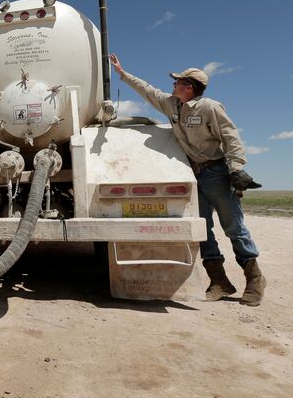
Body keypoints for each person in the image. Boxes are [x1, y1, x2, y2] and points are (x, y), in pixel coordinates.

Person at [108, 54, 266, 306]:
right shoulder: (172, 105)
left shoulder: (210, 108)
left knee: (233, 227)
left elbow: (231, 137)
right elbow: (148, 91)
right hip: (193, 174)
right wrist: (123, 73)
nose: (173, 85)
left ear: (189, 87)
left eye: (177, 82)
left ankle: (255, 279)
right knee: (203, 229)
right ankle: (219, 281)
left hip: (216, 172)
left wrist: (236, 169)